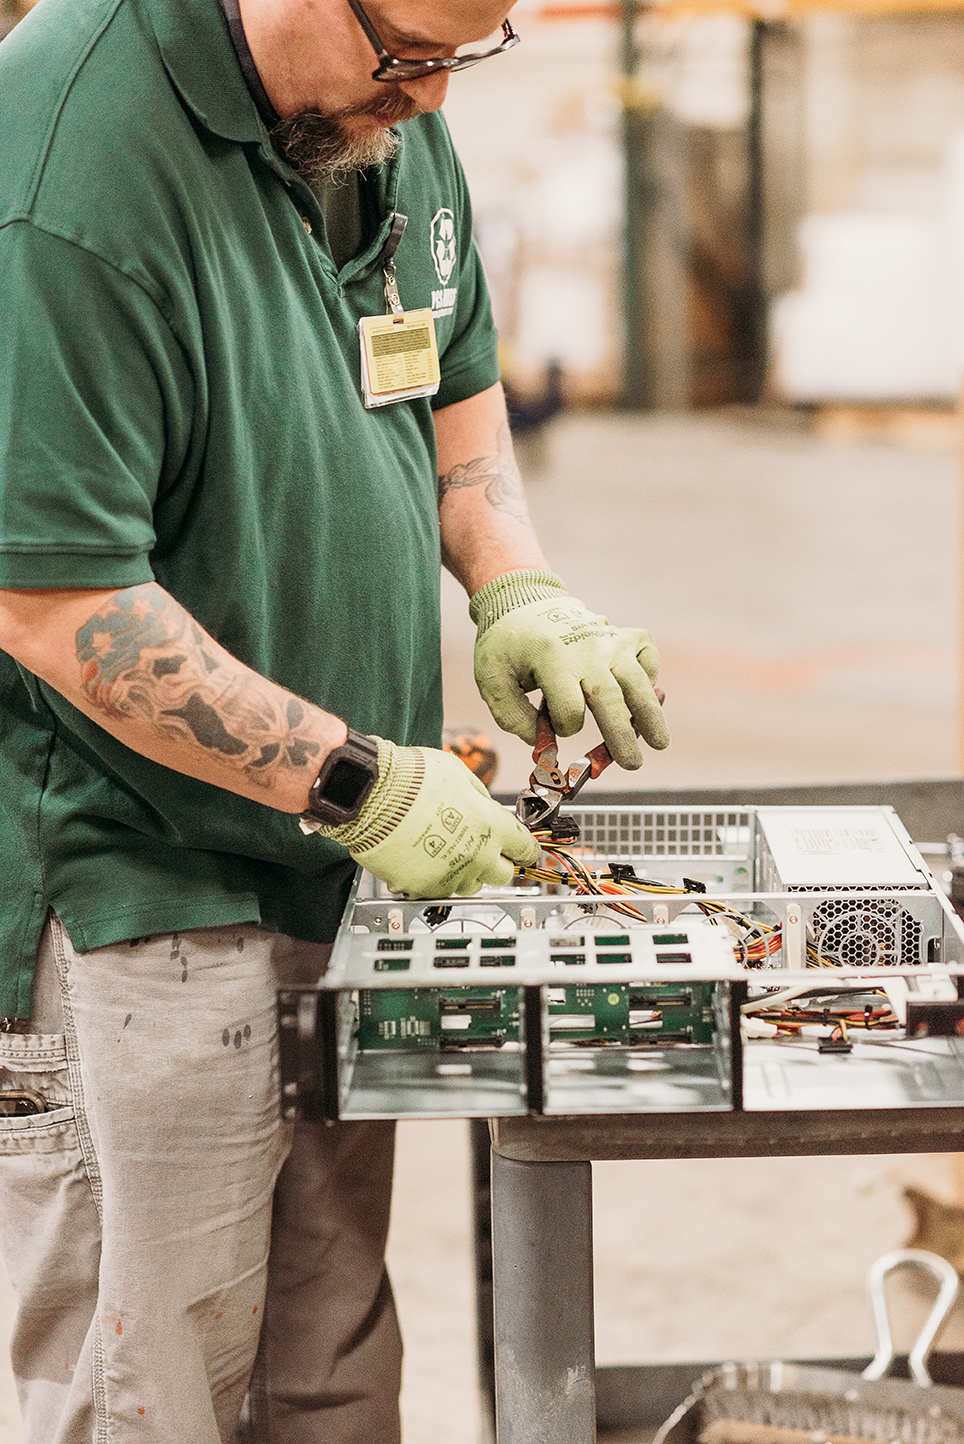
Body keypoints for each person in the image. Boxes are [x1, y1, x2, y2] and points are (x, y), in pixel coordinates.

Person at [0, 0, 670, 1438]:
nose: (431, 100)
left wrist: (519, 590)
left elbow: (455, 389)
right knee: (155, 1391)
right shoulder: (58, 171)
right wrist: (359, 780)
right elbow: (53, 603)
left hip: (331, 867)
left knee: (328, 1370)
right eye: (411, 54)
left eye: (464, 55)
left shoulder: (382, 118)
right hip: (140, 893)